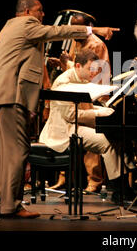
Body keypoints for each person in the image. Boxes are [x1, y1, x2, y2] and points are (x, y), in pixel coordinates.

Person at [0, 0, 119, 219]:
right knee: (17, 151)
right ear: (27, 11)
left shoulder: (8, 26)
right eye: (40, 10)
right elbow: (56, 32)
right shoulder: (27, 24)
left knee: (0, 153)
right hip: (11, 95)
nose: (42, 15)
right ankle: (12, 206)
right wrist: (96, 30)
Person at [39, 49, 133, 203]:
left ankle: (124, 187)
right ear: (77, 66)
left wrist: (104, 110)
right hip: (63, 130)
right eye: (91, 69)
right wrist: (102, 114)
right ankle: (118, 189)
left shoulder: (82, 79)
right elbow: (71, 115)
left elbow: (86, 108)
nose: (93, 73)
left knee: (115, 136)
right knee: (106, 142)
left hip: (74, 125)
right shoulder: (64, 82)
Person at [46, 11, 111, 193]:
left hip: (92, 95)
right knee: (67, 128)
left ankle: (94, 180)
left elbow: (95, 74)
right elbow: (76, 71)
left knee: (91, 139)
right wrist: (62, 65)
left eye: (78, 27)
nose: (75, 31)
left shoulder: (96, 44)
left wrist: (67, 64)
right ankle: (66, 178)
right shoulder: (77, 41)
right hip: (75, 95)